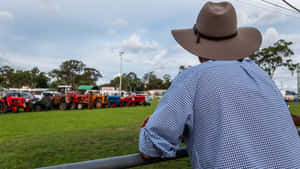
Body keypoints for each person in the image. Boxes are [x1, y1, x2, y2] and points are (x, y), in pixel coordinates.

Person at [138, 1, 300, 168]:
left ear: (197, 49)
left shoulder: (192, 78)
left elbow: (151, 147)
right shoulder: (259, 74)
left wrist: (157, 127)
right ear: (236, 41)